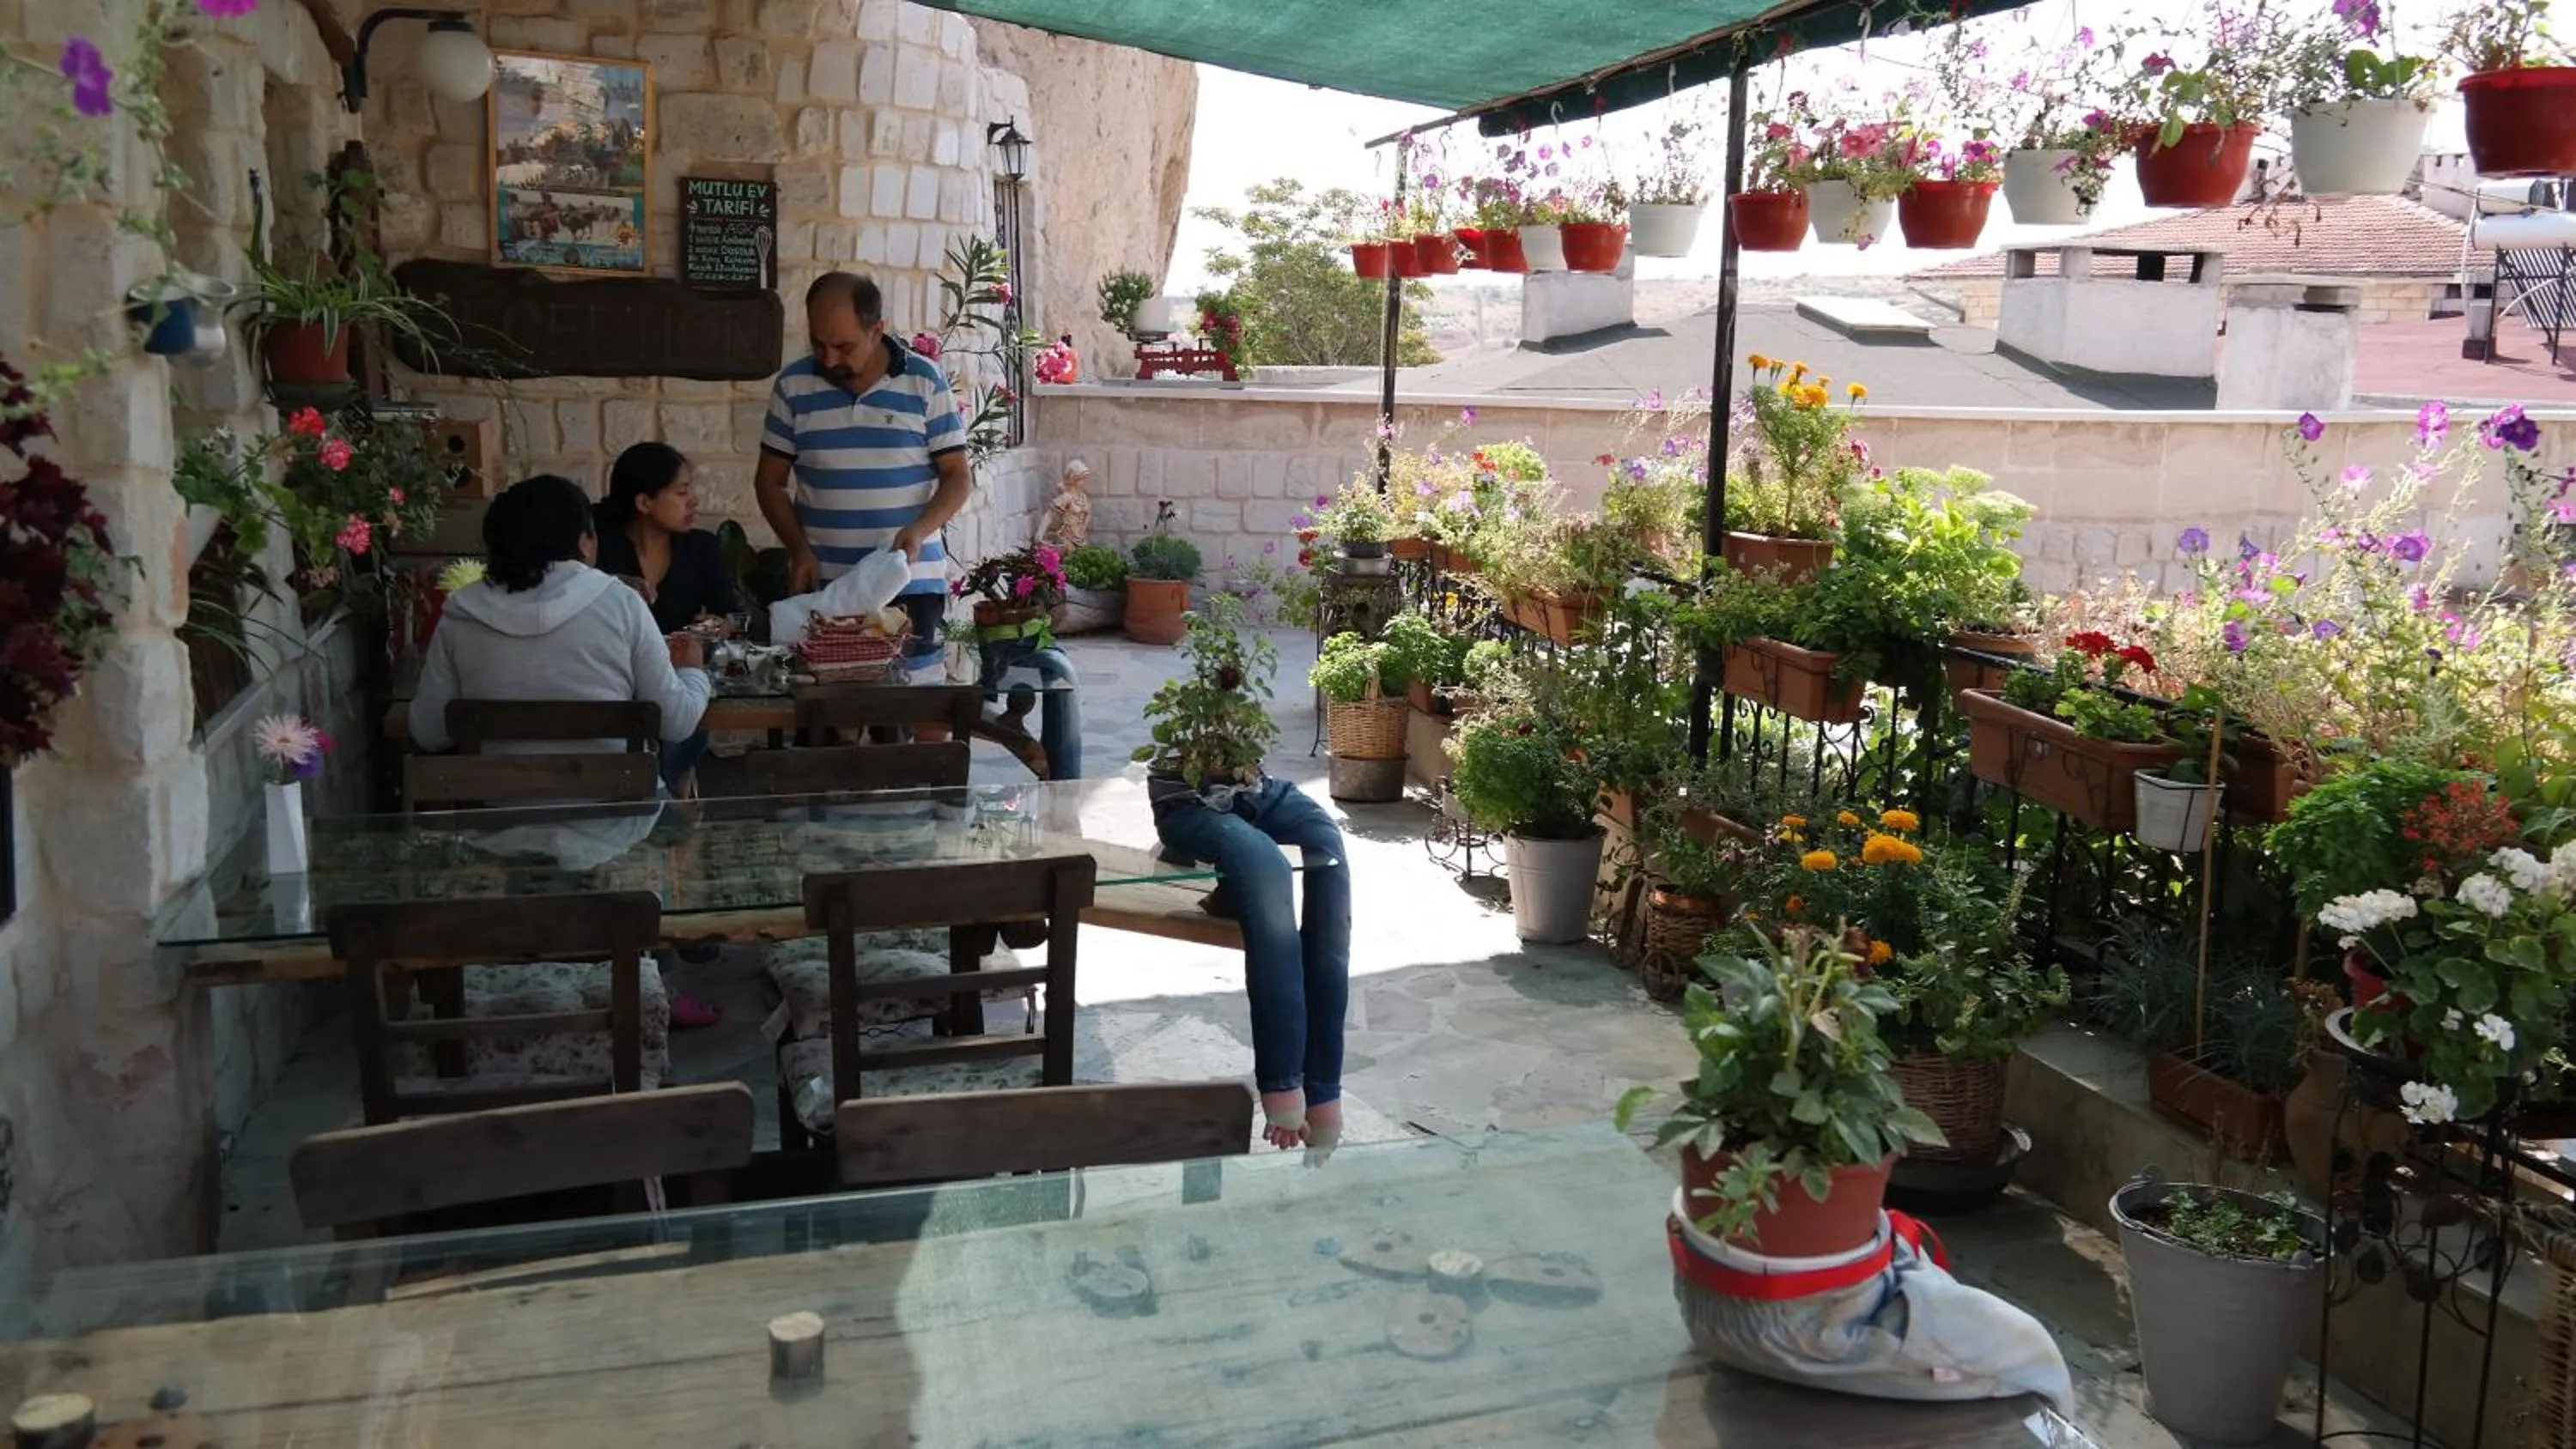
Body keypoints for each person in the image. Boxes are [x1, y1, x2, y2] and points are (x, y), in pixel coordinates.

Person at [410, 474, 722, 1027]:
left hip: (497, 821)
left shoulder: (462, 610)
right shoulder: (619, 603)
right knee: (682, 812)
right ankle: (655, 985)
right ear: (584, 541)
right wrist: (694, 674)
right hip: (617, 823)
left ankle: (517, 977)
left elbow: (429, 730)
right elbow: (675, 719)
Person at [755, 271, 972, 670]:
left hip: (909, 582)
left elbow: (958, 477)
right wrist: (798, 548)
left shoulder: (924, 382)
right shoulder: (794, 386)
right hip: (828, 588)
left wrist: (919, 531)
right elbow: (769, 482)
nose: (829, 359)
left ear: (877, 331)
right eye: (818, 343)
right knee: (828, 713)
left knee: (906, 707)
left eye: (843, 345)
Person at [592, 442, 741, 636]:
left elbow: (732, 616)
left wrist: (718, 626)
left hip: (684, 664)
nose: (693, 501)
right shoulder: (598, 549)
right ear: (644, 503)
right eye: (681, 492)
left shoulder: (702, 547)